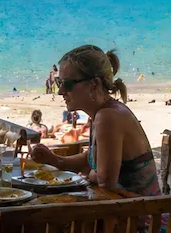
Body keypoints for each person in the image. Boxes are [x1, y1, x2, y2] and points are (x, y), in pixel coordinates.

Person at [30, 46, 158, 195]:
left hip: (142, 214)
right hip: (128, 208)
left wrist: (89, 174)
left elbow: (105, 181)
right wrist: (54, 160)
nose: (60, 91)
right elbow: (91, 158)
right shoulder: (103, 112)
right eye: (59, 82)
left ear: (94, 84)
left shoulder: (107, 117)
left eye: (68, 84)